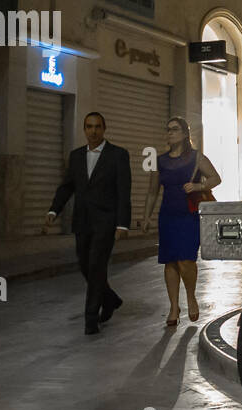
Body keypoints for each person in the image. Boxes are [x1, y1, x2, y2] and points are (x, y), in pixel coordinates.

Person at [44, 112, 131, 335]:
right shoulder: (76, 156)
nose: (93, 131)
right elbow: (67, 186)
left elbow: (123, 191)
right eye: (89, 127)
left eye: (97, 127)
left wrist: (123, 224)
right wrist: (54, 210)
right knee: (84, 265)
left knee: (96, 266)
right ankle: (109, 299)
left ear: (104, 129)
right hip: (82, 221)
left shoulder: (118, 155)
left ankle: (90, 319)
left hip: (106, 221)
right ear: (84, 129)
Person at [142, 117, 221, 327]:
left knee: (186, 260)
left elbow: (215, 178)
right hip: (167, 215)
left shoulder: (196, 158)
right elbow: (152, 192)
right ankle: (174, 307)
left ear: (185, 134)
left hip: (189, 215)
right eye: (168, 130)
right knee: (170, 261)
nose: (170, 133)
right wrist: (146, 216)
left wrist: (198, 187)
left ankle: (191, 297)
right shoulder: (159, 161)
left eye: (175, 130)